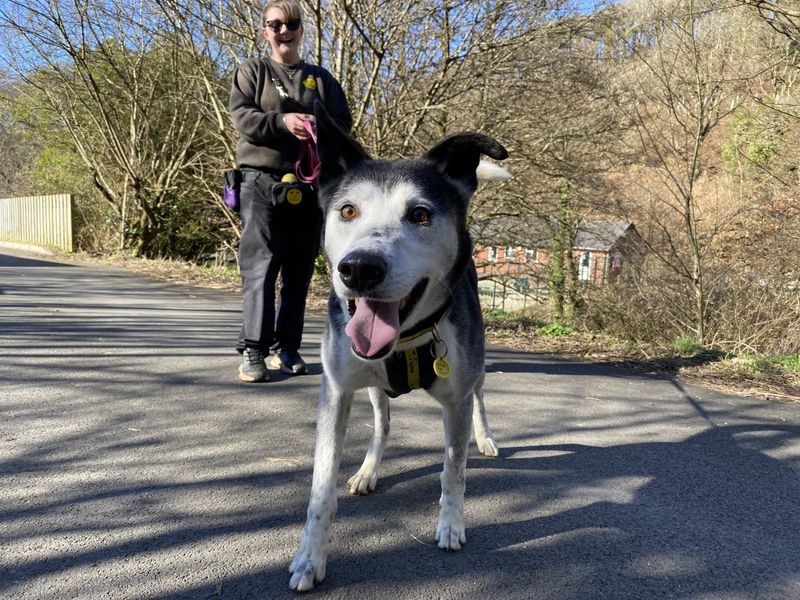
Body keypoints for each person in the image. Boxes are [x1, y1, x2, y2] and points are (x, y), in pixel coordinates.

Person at [229, 0, 352, 382]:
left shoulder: (321, 78)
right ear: (265, 30)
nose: (285, 30)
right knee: (261, 266)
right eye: (276, 24)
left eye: (292, 24)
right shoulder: (254, 71)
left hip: (309, 185)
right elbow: (243, 117)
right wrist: (283, 121)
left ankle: (288, 347)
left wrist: (319, 126)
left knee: (298, 270)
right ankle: (253, 350)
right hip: (260, 182)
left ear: (301, 30)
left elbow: (342, 124)